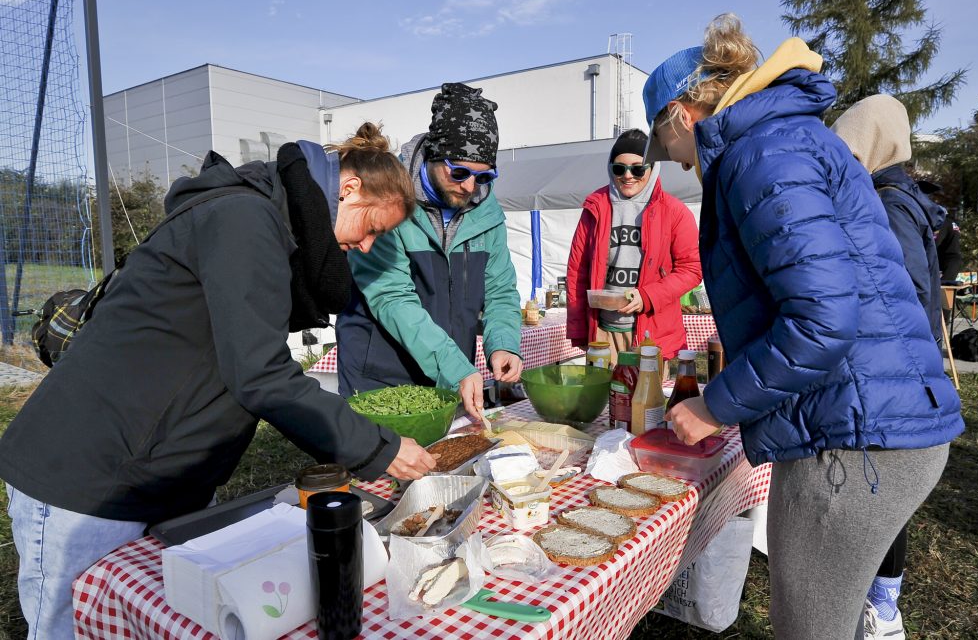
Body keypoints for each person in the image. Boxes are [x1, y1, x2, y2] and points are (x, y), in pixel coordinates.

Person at [0, 122, 437, 639]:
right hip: (87, 477)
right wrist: (378, 447)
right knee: (70, 629)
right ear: (349, 188)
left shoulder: (267, 227)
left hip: (159, 476)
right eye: (372, 228)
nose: (366, 245)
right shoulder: (243, 220)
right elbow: (260, 374)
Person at [648, 14, 964, 640]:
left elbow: (821, 320)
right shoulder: (783, 139)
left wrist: (715, 405)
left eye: (667, 149)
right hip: (865, 420)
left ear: (682, 115)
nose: (676, 165)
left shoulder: (760, 155)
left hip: (854, 440)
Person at [832, 94, 948, 639]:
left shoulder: (888, 202)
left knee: (883, 495)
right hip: (909, 367)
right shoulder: (909, 197)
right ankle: (881, 595)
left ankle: (883, 605)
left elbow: (902, 288)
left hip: (895, 372)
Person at [335, 83, 522, 419]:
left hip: (448, 375)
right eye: (459, 172)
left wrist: (504, 342)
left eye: (484, 177)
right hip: (382, 375)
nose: (469, 187)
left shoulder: (487, 213)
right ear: (433, 155)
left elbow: (501, 291)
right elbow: (392, 298)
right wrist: (454, 366)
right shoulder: (388, 199)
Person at [565, 128, 702, 364]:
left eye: (638, 169)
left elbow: (692, 268)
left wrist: (648, 296)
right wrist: (579, 330)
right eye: (620, 168)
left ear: (652, 167)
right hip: (603, 333)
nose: (628, 175)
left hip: (651, 335)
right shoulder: (595, 207)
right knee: (603, 401)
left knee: (647, 401)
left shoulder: (674, 211)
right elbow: (578, 271)